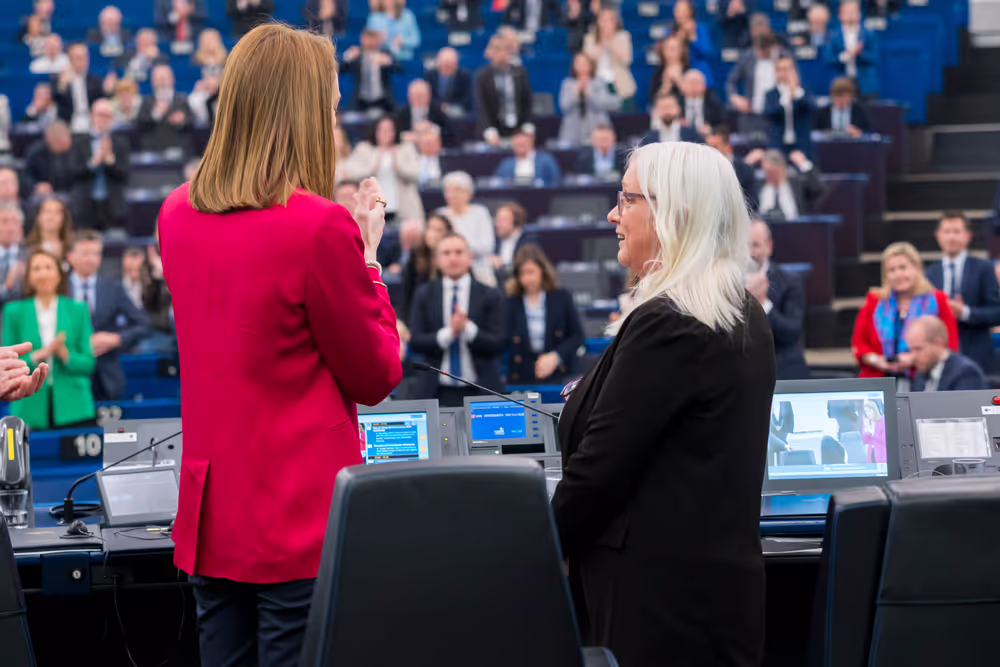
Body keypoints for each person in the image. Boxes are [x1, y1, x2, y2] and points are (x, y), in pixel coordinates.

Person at [157, 25, 402, 666]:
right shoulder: (320, 226)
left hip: (213, 517)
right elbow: (376, 373)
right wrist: (368, 258)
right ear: (302, 113)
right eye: (330, 107)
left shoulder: (175, 213)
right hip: (298, 521)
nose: (334, 121)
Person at [551, 141, 775, 667]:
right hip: (708, 598)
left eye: (626, 200)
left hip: (657, 607)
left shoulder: (668, 322)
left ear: (676, 212)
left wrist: (539, 545)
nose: (613, 215)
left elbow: (600, 471)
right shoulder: (740, 310)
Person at [2, 250, 95, 430]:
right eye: (37, 268)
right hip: (29, 409)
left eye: (48, 267)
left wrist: (65, 355)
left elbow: (88, 363)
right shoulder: (13, 312)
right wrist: (39, 355)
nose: (43, 273)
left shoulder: (78, 309)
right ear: (29, 277)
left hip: (74, 407)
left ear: (59, 275)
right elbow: (8, 364)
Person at [408, 233, 504, 405]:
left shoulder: (490, 294)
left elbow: (499, 342)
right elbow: (416, 341)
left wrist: (468, 329)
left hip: (481, 389)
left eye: (459, 252)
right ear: (437, 260)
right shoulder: (424, 294)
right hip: (435, 390)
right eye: (446, 253)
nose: (453, 258)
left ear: (469, 257)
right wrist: (449, 334)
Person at [852, 242, 959, 380]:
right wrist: (876, 360)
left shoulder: (938, 300)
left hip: (924, 378)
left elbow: (950, 346)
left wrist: (914, 358)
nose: (898, 275)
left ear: (917, 268)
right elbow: (859, 345)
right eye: (891, 270)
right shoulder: (874, 301)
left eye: (903, 267)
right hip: (879, 377)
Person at [66, 230, 151, 402]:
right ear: (70, 257)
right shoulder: (58, 288)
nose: (91, 259)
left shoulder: (112, 287)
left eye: (96, 254)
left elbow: (143, 324)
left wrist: (117, 339)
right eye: (85, 253)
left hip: (106, 377)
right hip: (68, 375)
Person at [925, 211, 1000, 375]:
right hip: (939, 357)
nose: (951, 237)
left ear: (968, 235)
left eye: (956, 231)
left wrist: (965, 312)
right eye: (947, 231)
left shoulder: (984, 268)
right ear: (938, 235)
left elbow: (996, 312)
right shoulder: (928, 274)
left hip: (977, 356)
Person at [504, 244, 583, 384]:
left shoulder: (561, 297)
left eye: (531, 272)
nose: (526, 279)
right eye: (522, 274)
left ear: (542, 270)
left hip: (558, 375)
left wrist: (556, 356)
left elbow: (577, 336)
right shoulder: (511, 302)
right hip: (523, 377)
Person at [747, 219, 809, 379]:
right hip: (743, 373)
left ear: (769, 246)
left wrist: (763, 302)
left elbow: (791, 332)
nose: (750, 253)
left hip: (782, 371)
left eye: (755, 245)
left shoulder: (790, 281)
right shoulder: (728, 282)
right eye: (744, 246)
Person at [343, 115, 425, 223]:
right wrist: (373, 167)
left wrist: (398, 164)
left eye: (389, 130)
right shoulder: (364, 148)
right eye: (382, 129)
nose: (386, 133)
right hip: (371, 208)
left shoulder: (406, 148)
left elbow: (416, 173)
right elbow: (352, 174)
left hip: (402, 208)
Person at [69, 99, 130, 231]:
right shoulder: (79, 142)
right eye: (100, 115)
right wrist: (93, 162)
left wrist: (110, 161)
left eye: (108, 116)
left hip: (113, 206)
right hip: (84, 206)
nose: (104, 119)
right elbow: (72, 172)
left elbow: (125, 174)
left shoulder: (121, 143)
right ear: (92, 116)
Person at [437, 171, 496, 286]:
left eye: (457, 190)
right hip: (446, 269)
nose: (452, 195)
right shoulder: (440, 214)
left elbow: (486, 246)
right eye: (448, 191)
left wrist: (459, 249)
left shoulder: (480, 212)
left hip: (478, 267)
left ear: (469, 193)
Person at [475, 36, 533, 144]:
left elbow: (527, 101)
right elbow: (481, 106)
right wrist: (489, 130)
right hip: (493, 129)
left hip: (517, 128)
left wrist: (527, 126)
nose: (501, 54)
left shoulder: (520, 73)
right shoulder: (482, 76)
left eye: (506, 49)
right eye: (498, 50)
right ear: (491, 52)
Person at [906, 315, 987, 392]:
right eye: (910, 350)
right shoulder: (921, 374)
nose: (913, 356)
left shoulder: (965, 373)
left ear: (938, 343)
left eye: (918, 349)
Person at [121, 245, 175, 353]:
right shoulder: (119, 287)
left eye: (137, 270)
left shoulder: (156, 287)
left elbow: (162, 317)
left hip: (155, 331)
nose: (133, 274)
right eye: (129, 270)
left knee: (142, 348)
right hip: (130, 332)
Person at [558, 53, 619, 146]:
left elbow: (603, 104)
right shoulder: (567, 84)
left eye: (584, 63)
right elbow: (564, 106)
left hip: (596, 128)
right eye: (578, 63)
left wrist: (590, 94)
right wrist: (575, 96)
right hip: (572, 131)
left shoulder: (599, 83)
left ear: (591, 66)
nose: (581, 66)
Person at [401, 212, 452, 322]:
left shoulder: (454, 258)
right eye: (430, 229)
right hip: (418, 314)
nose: (433, 234)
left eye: (439, 230)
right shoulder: (416, 255)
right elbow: (407, 293)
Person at [582, 8, 636, 110]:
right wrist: (601, 41)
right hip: (597, 85)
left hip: (620, 85)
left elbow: (626, 60)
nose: (605, 24)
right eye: (603, 20)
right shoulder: (590, 38)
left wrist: (610, 41)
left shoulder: (623, 36)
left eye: (609, 20)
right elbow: (588, 61)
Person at [748, 149, 822, 220]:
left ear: (783, 168)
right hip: (763, 226)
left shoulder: (797, 184)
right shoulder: (757, 186)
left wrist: (804, 164)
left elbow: (817, 189)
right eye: (768, 173)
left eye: (774, 173)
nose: (771, 177)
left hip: (795, 226)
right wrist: (747, 164)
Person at [825, 0, 879, 98]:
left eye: (853, 12)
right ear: (840, 15)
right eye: (847, 12)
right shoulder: (833, 36)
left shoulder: (868, 34)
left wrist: (859, 53)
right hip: (842, 84)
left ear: (859, 14)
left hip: (865, 85)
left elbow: (874, 57)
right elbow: (829, 59)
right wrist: (845, 56)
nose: (850, 15)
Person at [764, 56, 815, 157]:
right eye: (781, 69)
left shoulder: (804, 92)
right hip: (778, 147)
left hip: (802, 146)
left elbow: (812, 108)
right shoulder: (771, 94)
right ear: (776, 72)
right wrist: (787, 96)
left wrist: (795, 92)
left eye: (788, 69)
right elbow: (772, 113)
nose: (785, 73)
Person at [138, 64, 194, 155]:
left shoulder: (181, 100)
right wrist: (156, 113)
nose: (162, 82)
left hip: (178, 149)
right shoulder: (147, 101)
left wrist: (182, 121)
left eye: (164, 78)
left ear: (172, 79)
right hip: (153, 150)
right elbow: (141, 124)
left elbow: (191, 122)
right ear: (153, 82)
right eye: (159, 79)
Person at [341, 30, 400, 113]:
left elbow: (399, 68)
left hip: (382, 101)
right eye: (367, 38)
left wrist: (388, 62)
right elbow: (341, 70)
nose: (370, 42)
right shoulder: (357, 55)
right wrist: (348, 57)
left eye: (372, 39)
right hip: (360, 102)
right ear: (362, 39)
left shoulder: (384, 54)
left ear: (378, 40)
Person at [52, 43, 105, 133]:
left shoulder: (95, 80)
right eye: (78, 58)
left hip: (91, 120)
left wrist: (108, 90)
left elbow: (101, 100)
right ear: (70, 60)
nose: (83, 61)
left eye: (85, 57)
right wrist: (62, 86)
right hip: (69, 122)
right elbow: (55, 100)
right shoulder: (59, 78)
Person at [726, 32, 783, 114]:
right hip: (752, 112)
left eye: (763, 50)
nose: (759, 53)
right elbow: (731, 81)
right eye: (757, 49)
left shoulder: (782, 58)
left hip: (777, 112)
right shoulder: (748, 58)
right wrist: (734, 97)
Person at [493, 128, 563, 186]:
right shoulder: (506, 164)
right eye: (518, 145)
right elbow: (497, 184)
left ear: (531, 142)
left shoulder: (546, 160)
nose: (521, 147)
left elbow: (556, 182)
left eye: (523, 144)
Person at [705, 124, 756, 202]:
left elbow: (753, 202)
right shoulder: (702, 169)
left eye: (715, 147)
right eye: (707, 147)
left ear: (729, 147)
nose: (709, 151)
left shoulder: (745, 170)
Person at [23, 121, 75, 196]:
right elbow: (27, 175)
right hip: (45, 194)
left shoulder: (76, 151)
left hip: (72, 192)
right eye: (57, 142)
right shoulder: (37, 152)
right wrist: (36, 186)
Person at [396, 80, 453, 146]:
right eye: (415, 96)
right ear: (409, 97)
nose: (418, 99)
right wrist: (405, 136)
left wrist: (433, 128)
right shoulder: (402, 112)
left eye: (421, 96)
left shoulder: (437, 110)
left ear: (429, 96)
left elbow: (449, 133)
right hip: (409, 146)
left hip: (432, 147)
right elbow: (396, 133)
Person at [491, 201, 534, 280]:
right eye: (497, 219)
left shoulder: (529, 241)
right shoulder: (494, 241)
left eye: (502, 220)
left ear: (516, 222)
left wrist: (502, 265)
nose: (497, 224)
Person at [639, 93, 703, 146]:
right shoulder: (647, 138)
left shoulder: (691, 134)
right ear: (655, 111)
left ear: (678, 109)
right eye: (663, 108)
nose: (667, 111)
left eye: (670, 107)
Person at [425, 47, 474, 115]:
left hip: (456, 110)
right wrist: (440, 106)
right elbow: (427, 96)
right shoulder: (430, 76)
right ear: (439, 64)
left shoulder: (464, 76)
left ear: (456, 64)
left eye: (450, 65)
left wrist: (448, 107)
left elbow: (467, 99)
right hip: (434, 109)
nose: (447, 68)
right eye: (445, 65)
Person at [677, 69, 725, 137]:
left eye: (697, 83)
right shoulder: (676, 102)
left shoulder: (712, 101)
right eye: (691, 83)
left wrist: (710, 129)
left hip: (706, 138)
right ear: (683, 86)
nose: (694, 86)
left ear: (704, 86)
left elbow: (722, 123)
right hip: (681, 138)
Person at [26, 196, 74, 261]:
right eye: (47, 211)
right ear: (38, 217)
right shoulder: (26, 248)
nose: (51, 217)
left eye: (57, 213)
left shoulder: (71, 248)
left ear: (64, 219)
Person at [671, 0, 713, 73]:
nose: (677, 13)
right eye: (676, 10)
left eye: (681, 10)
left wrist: (692, 36)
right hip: (679, 71)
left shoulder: (700, 29)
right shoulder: (673, 30)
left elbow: (706, 52)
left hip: (698, 72)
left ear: (690, 12)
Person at [648, 34, 690, 102]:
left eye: (673, 49)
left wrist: (679, 80)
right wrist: (666, 85)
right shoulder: (658, 72)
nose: (669, 53)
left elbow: (694, 96)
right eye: (666, 48)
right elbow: (653, 100)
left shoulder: (689, 70)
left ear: (681, 50)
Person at [0, 205, 26, 307]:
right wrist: (6, 287)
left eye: (15, 222)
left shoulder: (31, 257)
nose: (10, 228)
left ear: (21, 228)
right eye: (4, 221)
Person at [415, 122, 443, 188]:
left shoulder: (448, 161)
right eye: (426, 143)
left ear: (439, 143)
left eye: (432, 142)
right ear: (419, 144)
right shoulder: (411, 161)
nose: (429, 146)